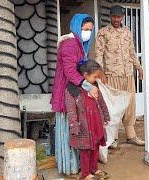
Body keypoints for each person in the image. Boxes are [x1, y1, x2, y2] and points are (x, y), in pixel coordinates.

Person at [50, 13, 98, 175]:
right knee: (70, 128)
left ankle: (78, 164)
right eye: (85, 29)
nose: (88, 33)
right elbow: (70, 72)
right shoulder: (70, 44)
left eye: (91, 30)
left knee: (78, 128)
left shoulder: (80, 45)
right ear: (77, 27)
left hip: (74, 90)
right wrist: (87, 86)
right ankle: (69, 166)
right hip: (67, 92)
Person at [95, 5, 145, 147]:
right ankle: (113, 138)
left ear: (122, 17)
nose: (116, 19)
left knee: (130, 105)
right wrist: (100, 73)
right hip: (111, 74)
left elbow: (131, 52)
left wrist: (139, 67)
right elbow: (99, 54)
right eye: (114, 17)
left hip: (127, 74)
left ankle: (131, 135)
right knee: (113, 107)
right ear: (110, 16)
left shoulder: (127, 32)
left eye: (119, 17)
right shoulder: (103, 33)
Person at [66, 60, 110, 180]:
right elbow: (71, 109)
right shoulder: (72, 89)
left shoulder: (94, 86)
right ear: (85, 75)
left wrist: (106, 115)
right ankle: (85, 174)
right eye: (94, 76)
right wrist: (74, 125)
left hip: (95, 122)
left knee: (95, 146)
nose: (96, 79)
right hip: (84, 125)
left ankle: (94, 169)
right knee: (85, 150)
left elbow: (101, 101)